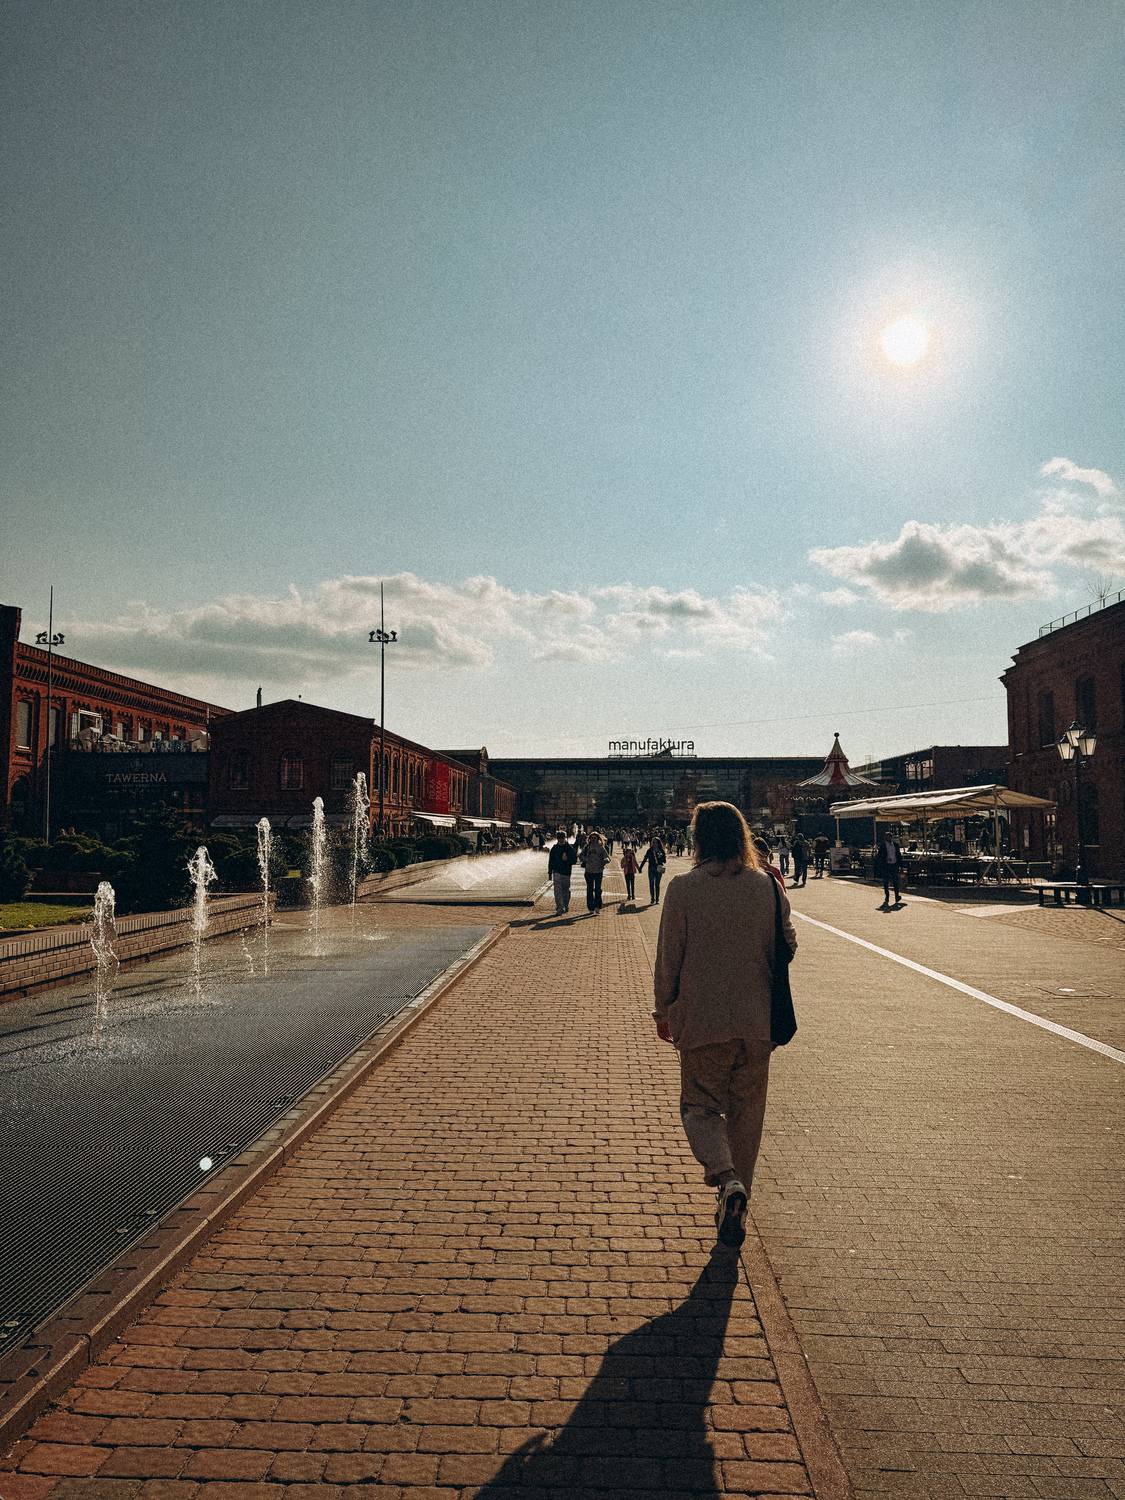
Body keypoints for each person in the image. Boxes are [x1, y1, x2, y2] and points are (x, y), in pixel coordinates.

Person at [653, 801, 797, 1249]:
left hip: (702, 1020)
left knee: (699, 1108)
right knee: (747, 1118)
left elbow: (669, 956)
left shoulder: (682, 888)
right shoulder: (767, 885)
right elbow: (789, 945)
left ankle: (727, 1178)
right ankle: (737, 1203)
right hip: (757, 1023)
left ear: (699, 840)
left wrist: (663, 1009)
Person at [547, 831, 578, 915]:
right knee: (557, 891)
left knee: (566, 890)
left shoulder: (569, 848)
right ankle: (560, 908)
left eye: (562, 837)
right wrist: (550, 872)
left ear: (565, 838)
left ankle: (565, 905)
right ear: (557, 838)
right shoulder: (554, 848)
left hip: (566, 872)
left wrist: (567, 859)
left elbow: (575, 860)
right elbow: (551, 861)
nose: (561, 839)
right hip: (556, 871)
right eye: (559, 838)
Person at [874, 829, 905, 908]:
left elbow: (898, 855)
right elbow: (879, 856)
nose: (888, 838)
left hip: (894, 865)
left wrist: (901, 865)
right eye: (886, 837)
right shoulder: (883, 845)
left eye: (889, 837)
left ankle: (897, 896)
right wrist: (882, 862)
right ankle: (887, 896)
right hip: (886, 865)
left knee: (895, 881)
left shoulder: (895, 845)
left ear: (891, 837)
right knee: (886, 882)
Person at [580, 830, 609, 912]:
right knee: (589, 889)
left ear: (598, 838)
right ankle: (590, 907)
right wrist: (586, 859)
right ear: (589, 838)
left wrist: (605, 860)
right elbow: (580, 856)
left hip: (598, 871)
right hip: (588, 871)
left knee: (597, 889)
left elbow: (607, 857)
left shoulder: (601, 847)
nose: (593, 839)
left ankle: (597, 906)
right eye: (591, 838)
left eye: (595, 838)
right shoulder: (587, 847)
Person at [639, 833, 668, 904]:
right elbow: (645, 859)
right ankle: (652, 898)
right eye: (653, 842)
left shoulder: (661, 850)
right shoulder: (649, 850)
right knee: (651, 884)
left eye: (655, 842)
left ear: (658, 843)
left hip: (659, 869)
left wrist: (660, 856)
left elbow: (664, 861)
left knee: (657, 884)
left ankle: (657, 899)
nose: (654, 844)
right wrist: (640, 867)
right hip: (651, 869)